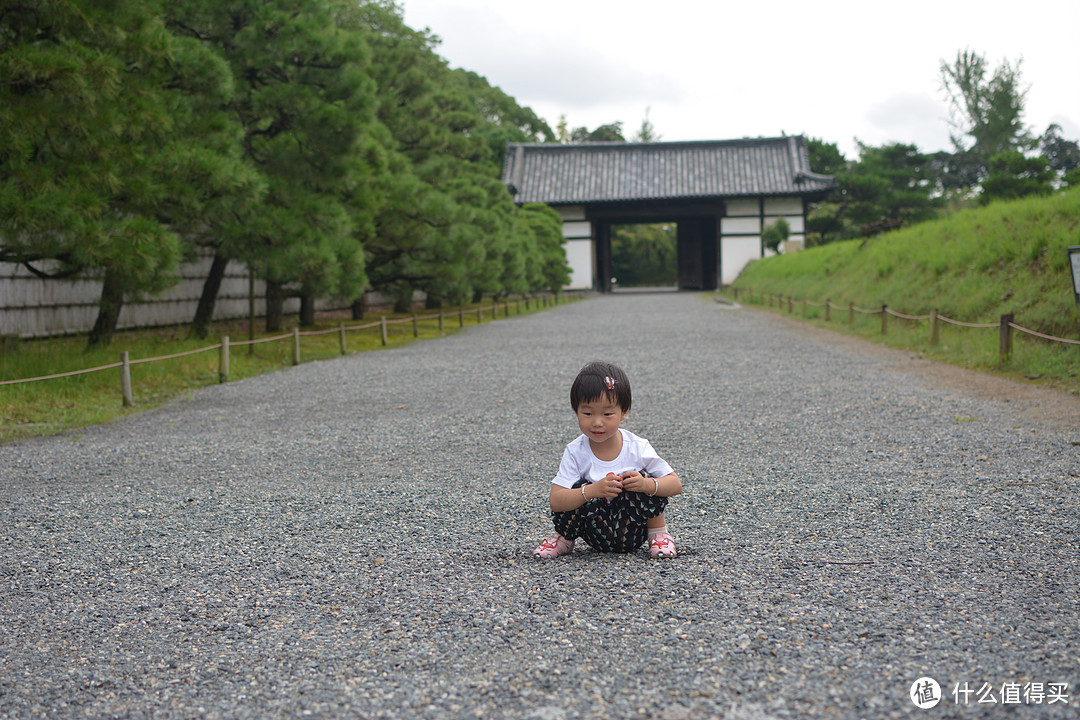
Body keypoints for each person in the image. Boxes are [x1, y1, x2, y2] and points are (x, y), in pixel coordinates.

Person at [534, 361, 682, 559]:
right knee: (578, 488)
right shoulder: (575, 451)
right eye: (587, 413)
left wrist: (646, 485)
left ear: (624, 412)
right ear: (576, 411)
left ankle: (659, 535)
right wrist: (591, 491)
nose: (597, 422)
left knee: (641, 480)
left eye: (607, 414)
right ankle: (564, 539)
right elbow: (556, 501)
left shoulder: (637, 447)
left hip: (633, 530)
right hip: (594, 532)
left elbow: (675, 484)